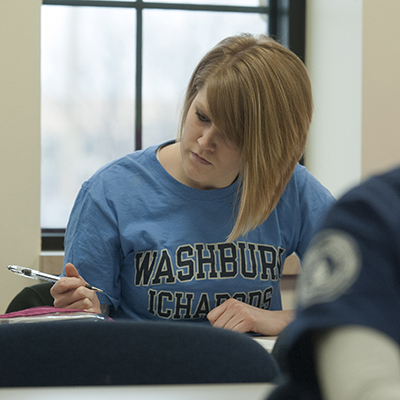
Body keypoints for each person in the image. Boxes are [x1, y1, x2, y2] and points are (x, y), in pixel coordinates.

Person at [50, 33, 334, 336]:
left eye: (231, 135)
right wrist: (84, 313)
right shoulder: (109, 194)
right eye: (201, 116)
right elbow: (88, 330)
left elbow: (368, 299)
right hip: (145, 375)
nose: (204, 141)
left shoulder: (291, 188)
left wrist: (277, 319)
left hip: (252, 376)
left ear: (267, 147)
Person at [268, 166, 400, 399]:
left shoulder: (294, 183)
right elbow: (367, 385)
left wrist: (279, 317)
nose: (205, 142)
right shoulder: (371, 214)